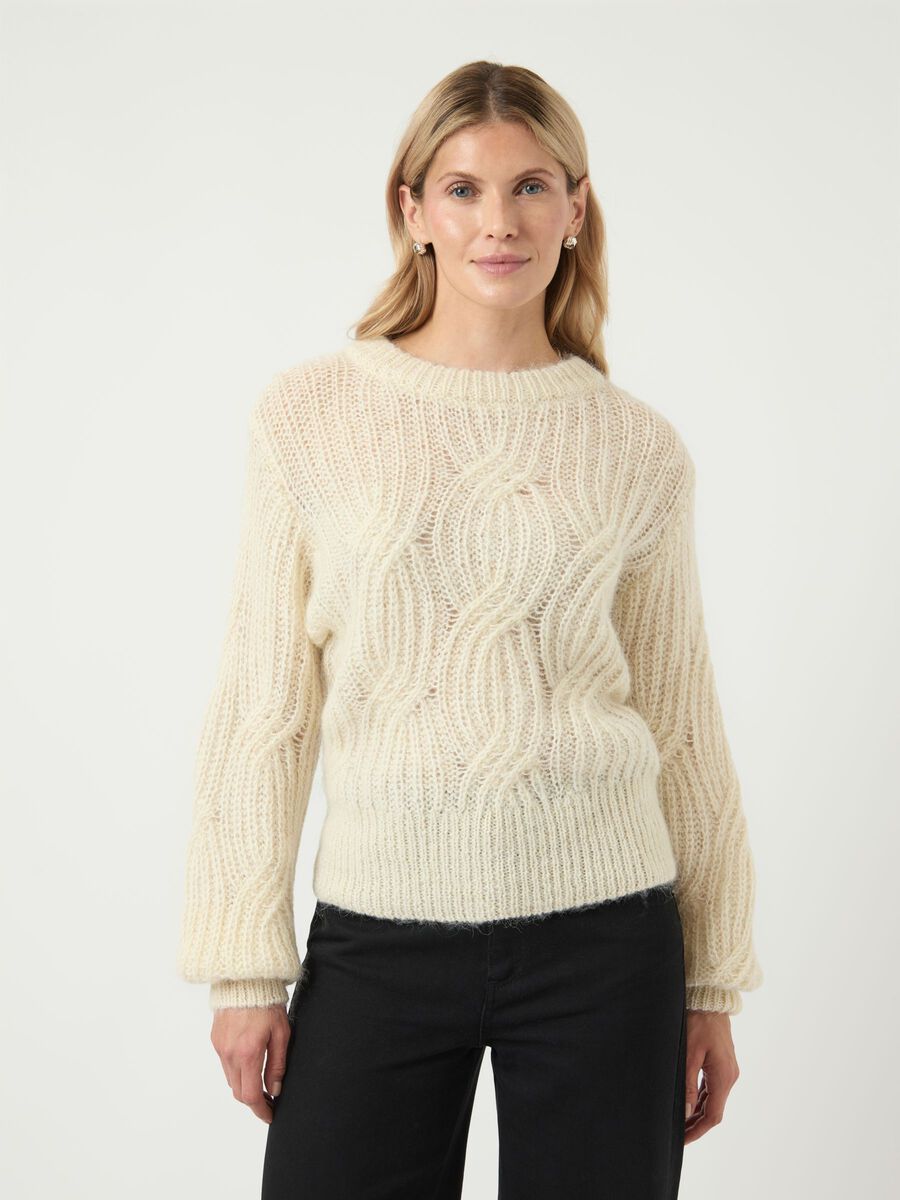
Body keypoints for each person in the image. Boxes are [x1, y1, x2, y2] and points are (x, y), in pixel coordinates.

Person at [176, 59, 763, 1200]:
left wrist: (712, 986)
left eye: (532, 187)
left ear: (576, 209)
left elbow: (683, 724)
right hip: (378, 937)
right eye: (463, 189)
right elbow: (263, 708)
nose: (500, 221)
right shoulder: (309, 419)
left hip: (607, 942)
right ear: (413, 210)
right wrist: (244, 968)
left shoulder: (638, 449)